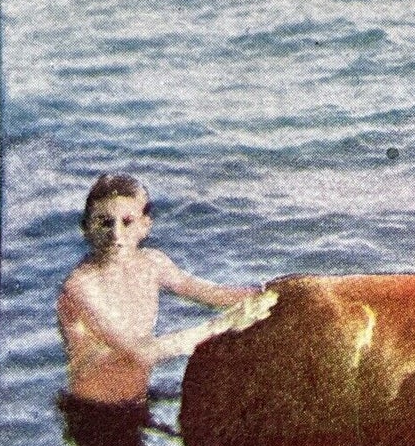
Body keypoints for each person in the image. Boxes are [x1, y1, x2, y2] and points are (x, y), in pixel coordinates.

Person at [57, 174, 277, 411]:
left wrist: (267, 295)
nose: (116, 235)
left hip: (138, 398)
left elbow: (209, 293)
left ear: (144, 226)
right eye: (104, 222)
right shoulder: (80, 286)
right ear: (86, 228)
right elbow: (139, 353)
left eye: (127, 222)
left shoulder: (153, 263)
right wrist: (221, 325)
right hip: (92, 411)